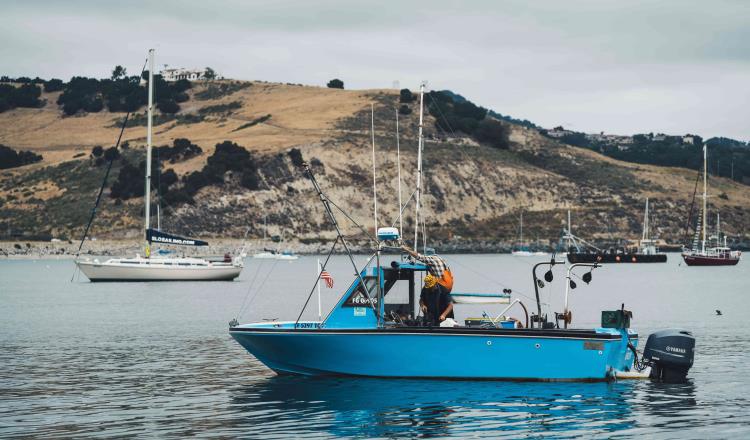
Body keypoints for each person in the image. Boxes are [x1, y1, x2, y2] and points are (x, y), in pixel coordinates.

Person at [401, 245, 454, 326]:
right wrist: (423, 305)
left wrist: (407, 250)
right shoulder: (441, 259)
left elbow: (418, 256)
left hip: (442, 285)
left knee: (443, 302)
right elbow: (421, 299)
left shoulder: (432, 259)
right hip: (448, 284)